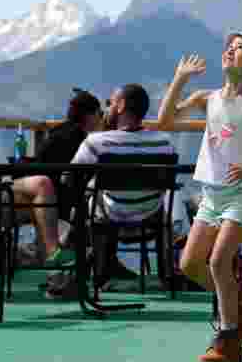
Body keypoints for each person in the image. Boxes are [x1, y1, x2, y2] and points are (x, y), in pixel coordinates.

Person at [156, 31, 242, 362]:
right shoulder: (205, 97)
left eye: (239, 48)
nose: (230, 50)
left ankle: (228, 340)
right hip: (211, 196)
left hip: (241, 196)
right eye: (230, 46)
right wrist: (179, 80)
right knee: (189, 265)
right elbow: (165, 121)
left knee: (218, 262)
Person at [70, 84, 175, 289]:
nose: (107, 109)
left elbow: (72, 176)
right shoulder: (164, 142)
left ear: (121, 106)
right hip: (150, 215)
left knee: (91, 199)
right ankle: (167, 275)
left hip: (111, 215)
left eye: (110, 103)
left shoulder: (96, 141)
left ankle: (96, 273)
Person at [11, 88, 103, 267]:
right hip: (53, 200)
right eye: (99, 114)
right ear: (90, 116)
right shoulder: (80, 140)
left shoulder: (59, 132)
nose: (101, 118)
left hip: (42, 194)